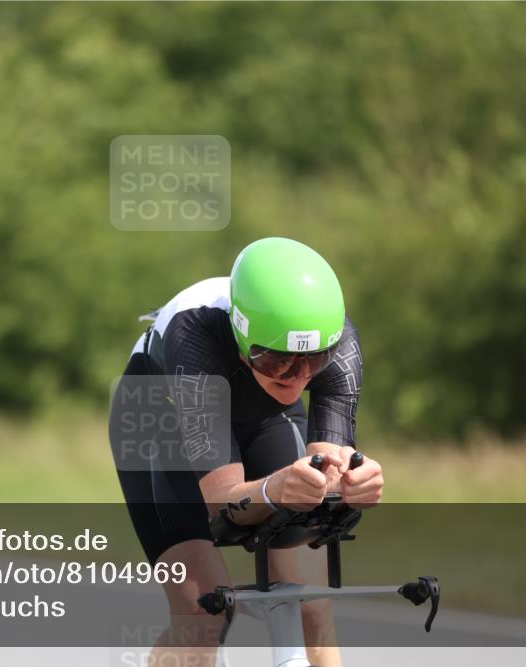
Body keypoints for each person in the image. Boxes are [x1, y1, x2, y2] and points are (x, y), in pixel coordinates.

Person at [109, 237, 384, 667]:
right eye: (278, 360)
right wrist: (276, 489)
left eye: (313, 360)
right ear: (241, 336)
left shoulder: (338, 346)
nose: (296, 378)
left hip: (261, 413)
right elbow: (224, 500)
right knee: (203, 613)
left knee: (310, 600)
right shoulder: (194, 335)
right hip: (159, 419)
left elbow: (329, 470)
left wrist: (352, 483)